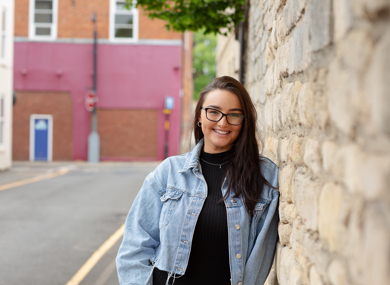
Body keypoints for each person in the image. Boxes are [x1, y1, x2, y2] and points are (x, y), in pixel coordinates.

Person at [116, 76, 279, 285]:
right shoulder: (169, 172)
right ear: (200, 116)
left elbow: (260, 256)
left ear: (244, 121)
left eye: (234, 115)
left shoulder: (264, 176)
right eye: (213, 112)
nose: (223, 122)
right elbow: (134, 246)